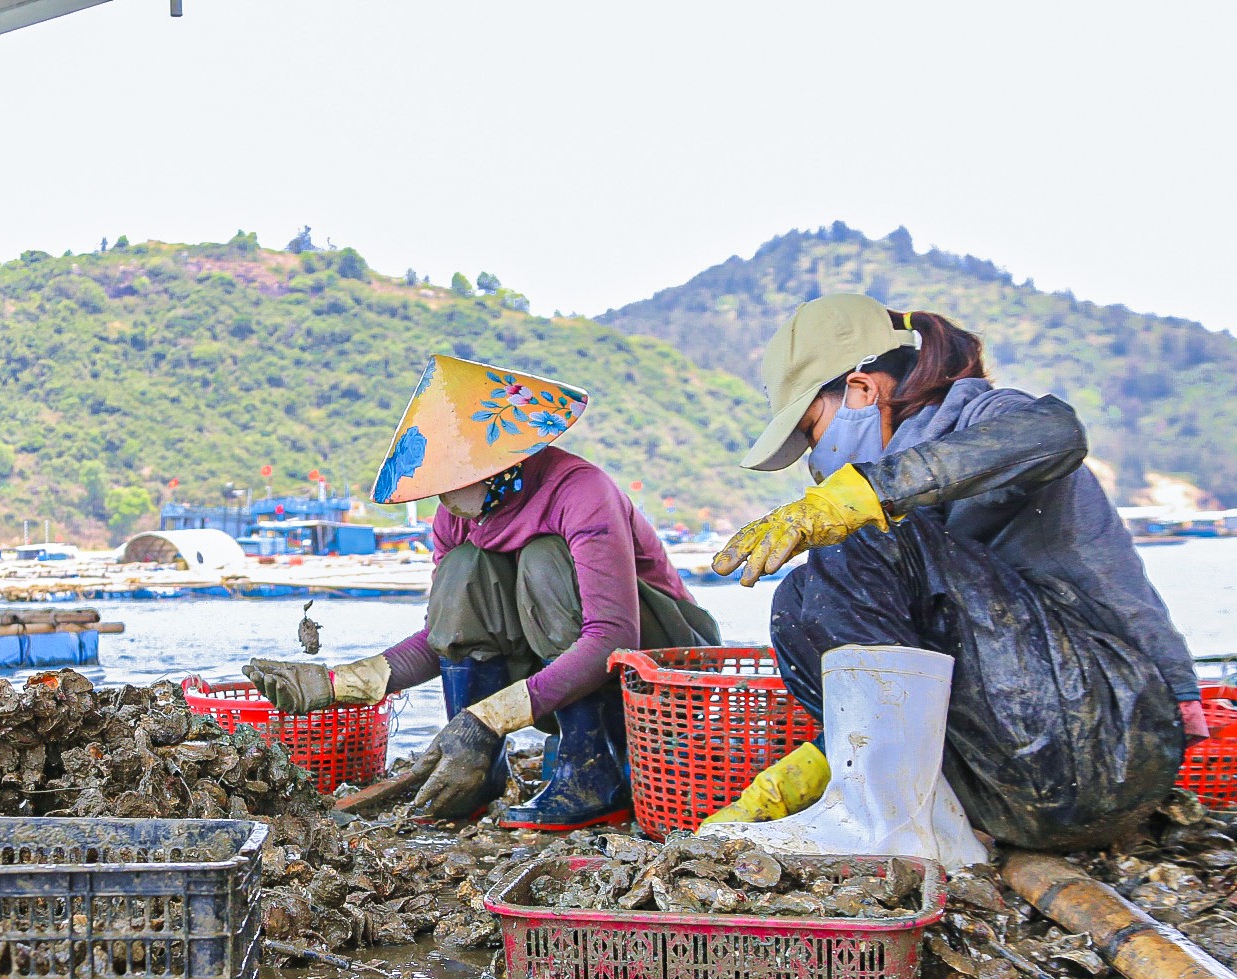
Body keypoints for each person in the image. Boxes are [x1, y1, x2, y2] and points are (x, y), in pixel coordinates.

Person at [705, 294, 1200, 849]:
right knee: (800, 597)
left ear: (862, 391)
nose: (814, 459)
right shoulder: (895, 547)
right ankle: (895, 812)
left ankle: (900, 828)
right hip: (1014, 788)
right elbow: (897, 693)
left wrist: (869, 491)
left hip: (1099, 737)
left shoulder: (983, 416)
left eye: (811, 431)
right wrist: (790, 785)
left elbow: (1057, 434)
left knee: (855, 542)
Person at [245, 354, 717, 830]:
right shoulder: (455, 519)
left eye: (450, 482)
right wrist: (336, 684)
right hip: (558, 665)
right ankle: (475, 771)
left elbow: (611, 636)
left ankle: (592, 770)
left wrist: (488, 719)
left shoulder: (581, 491)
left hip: (660, 666)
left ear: (497, 467)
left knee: (542, 559)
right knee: (462, 569)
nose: (441, 498)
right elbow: (443, 635)